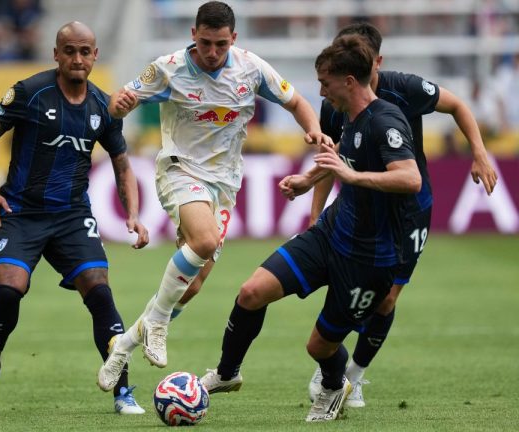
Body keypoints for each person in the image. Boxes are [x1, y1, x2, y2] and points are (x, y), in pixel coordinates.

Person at [97, 0, 330, 391]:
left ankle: (124, 345)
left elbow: (296, 102)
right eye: (205, 43)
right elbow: (123, 99)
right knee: (204, 242)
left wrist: (313, 130)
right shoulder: (168, 68)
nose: (212, 53)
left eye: (221, 44)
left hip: (224, 185)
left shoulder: (251, 68)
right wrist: (119, 104)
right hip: (179, 169)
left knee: (193, 284)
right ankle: (155, 323)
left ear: (233, 39)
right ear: (193, 35)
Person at [199, 35, 422, 422]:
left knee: (319, 347)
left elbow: (410, 179)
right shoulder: (348, 115)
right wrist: (307, 179)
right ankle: (226, 373)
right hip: (330, 234)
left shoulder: (386, 120)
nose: (320, 91)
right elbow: (341, 157)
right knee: (252, 292)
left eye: (325, 82)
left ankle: (335, 387)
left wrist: (352, 177)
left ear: (350, 81)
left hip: (370, 259)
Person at [307, 22, 498, 408]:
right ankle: (331, 360)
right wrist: (315, 215)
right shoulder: (333, 102)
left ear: (376, 60)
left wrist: (479, 152)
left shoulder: (404, 87)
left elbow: (458, 104)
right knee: (345, 283)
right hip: (358, 209)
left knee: (388, 298)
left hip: (409, 210)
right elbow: (330, 160)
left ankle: (353, 377)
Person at [0, 21, 149, 416]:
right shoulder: (30, 93)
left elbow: (122, 163)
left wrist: (132, 214)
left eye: (85, 51)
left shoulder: (103, 107)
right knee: (9, 290)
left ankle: (122, 390)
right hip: (22, 212)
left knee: (100, 290)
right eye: (70, 51)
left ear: (95, 56)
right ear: (56, 53)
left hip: (71, 216)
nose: (77, 59)